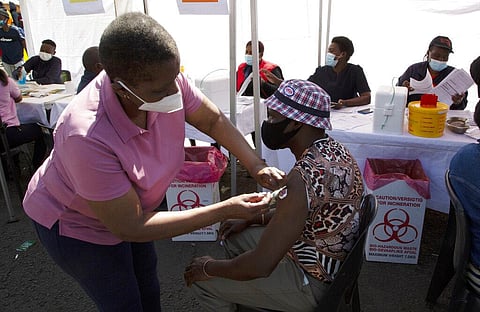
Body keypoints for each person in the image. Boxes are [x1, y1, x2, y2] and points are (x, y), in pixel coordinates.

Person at [22, 12, 285, 312]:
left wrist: (255, 164)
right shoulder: (86, 135)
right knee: (123, 301)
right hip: (78, 225)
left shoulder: (160, 79)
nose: (176, 92)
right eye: (162, 90)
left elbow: (212, 120)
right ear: (122, 88)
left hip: (134, 211)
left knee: (147, 283)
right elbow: (131, 226)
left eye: (176, 78)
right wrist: (225, 209)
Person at [184, 79, 365, 311]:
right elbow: (301, 214)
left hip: (315, 282)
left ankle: (262, 296)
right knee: (234, 236)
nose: (267, 123)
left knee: (203, 282)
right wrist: (252, 218)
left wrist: (208, 267)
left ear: (296, 124)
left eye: (272, 117)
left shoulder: (303, 178)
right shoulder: (333, 151)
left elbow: (260, 266)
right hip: (327, 261)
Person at [264, 36, 371, 110]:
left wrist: (345, 103)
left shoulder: (355, 71)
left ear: (342, 54)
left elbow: (366, 97)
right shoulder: (322, 71)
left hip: (348, 116)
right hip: (325, 113)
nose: (328, 54)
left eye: (331, 51)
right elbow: (302, 88)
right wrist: (278, 82)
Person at [397, 35, 467, 110]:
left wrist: (458, 101)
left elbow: (462, 106)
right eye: (436, 55)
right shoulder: (414, 70)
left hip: (442, 117)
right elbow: (396, 96)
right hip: (415, 114)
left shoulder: (454, 75)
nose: (440, 59)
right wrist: (403, 90)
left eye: (445, 57)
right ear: (428, 52)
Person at [0, 68, 47, 169]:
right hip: (7, 132)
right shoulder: (5, 81)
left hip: (6, 133)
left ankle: (11, 170)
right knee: (40, 130)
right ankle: (37, 165)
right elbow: (18, 98)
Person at [0, 8, 25, 77]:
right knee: (11, 79)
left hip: (18, 60)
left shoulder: (15, 30)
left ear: (6, 19)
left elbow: (23, 42)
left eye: (0, 18)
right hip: (6, 61)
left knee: (21, 80)